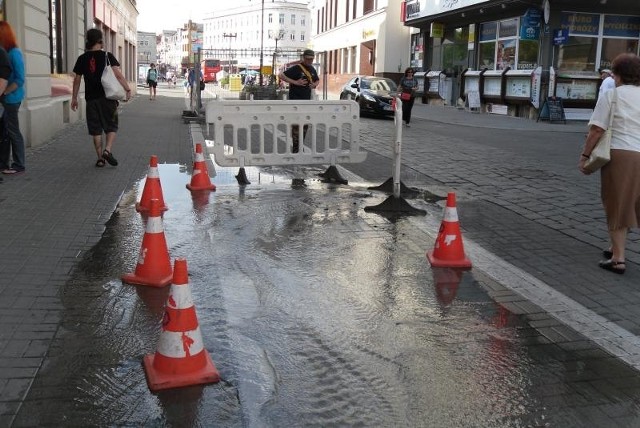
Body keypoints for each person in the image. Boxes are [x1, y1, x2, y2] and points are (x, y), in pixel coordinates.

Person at [579, 53, 640, 275]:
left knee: (616, 204)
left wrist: (585, 156)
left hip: (621, 154)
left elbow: (597, 129)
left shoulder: (612, 96)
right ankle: (616, 246)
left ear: (617, 75)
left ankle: (618, 259)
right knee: (632, 204)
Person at [71, 28, 131, 168]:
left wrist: (74, 98)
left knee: (95, 129)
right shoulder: (107, 56)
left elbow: (77, 80)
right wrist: (127, 88)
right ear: (100, 41)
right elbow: (118, 75)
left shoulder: (82, 58)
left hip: (91, 99)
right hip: (108, 98)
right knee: (112, 125)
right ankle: (107, 150)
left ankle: (100, 159)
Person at [278, 49, 319, 152]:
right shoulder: (296, 68)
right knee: (296, 125)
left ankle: (300, 146)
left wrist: (314, 84)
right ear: (303, 58)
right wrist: (295, 82)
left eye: (311, 59)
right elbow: (281, 75)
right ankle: (296, 149)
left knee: (305, 125)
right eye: (308, 59)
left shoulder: (312, 69)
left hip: (306, 102)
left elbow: (317, 79)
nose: (310, 61)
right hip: (295, 102)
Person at [0, 22, 26, 175]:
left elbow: (20, 79)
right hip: (9, 99)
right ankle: (9, 163)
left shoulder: (14, 53)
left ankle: (19, 165)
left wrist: (5, 92)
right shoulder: (8, 51)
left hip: (12, 99)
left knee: (13, 131)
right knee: (8, 132)